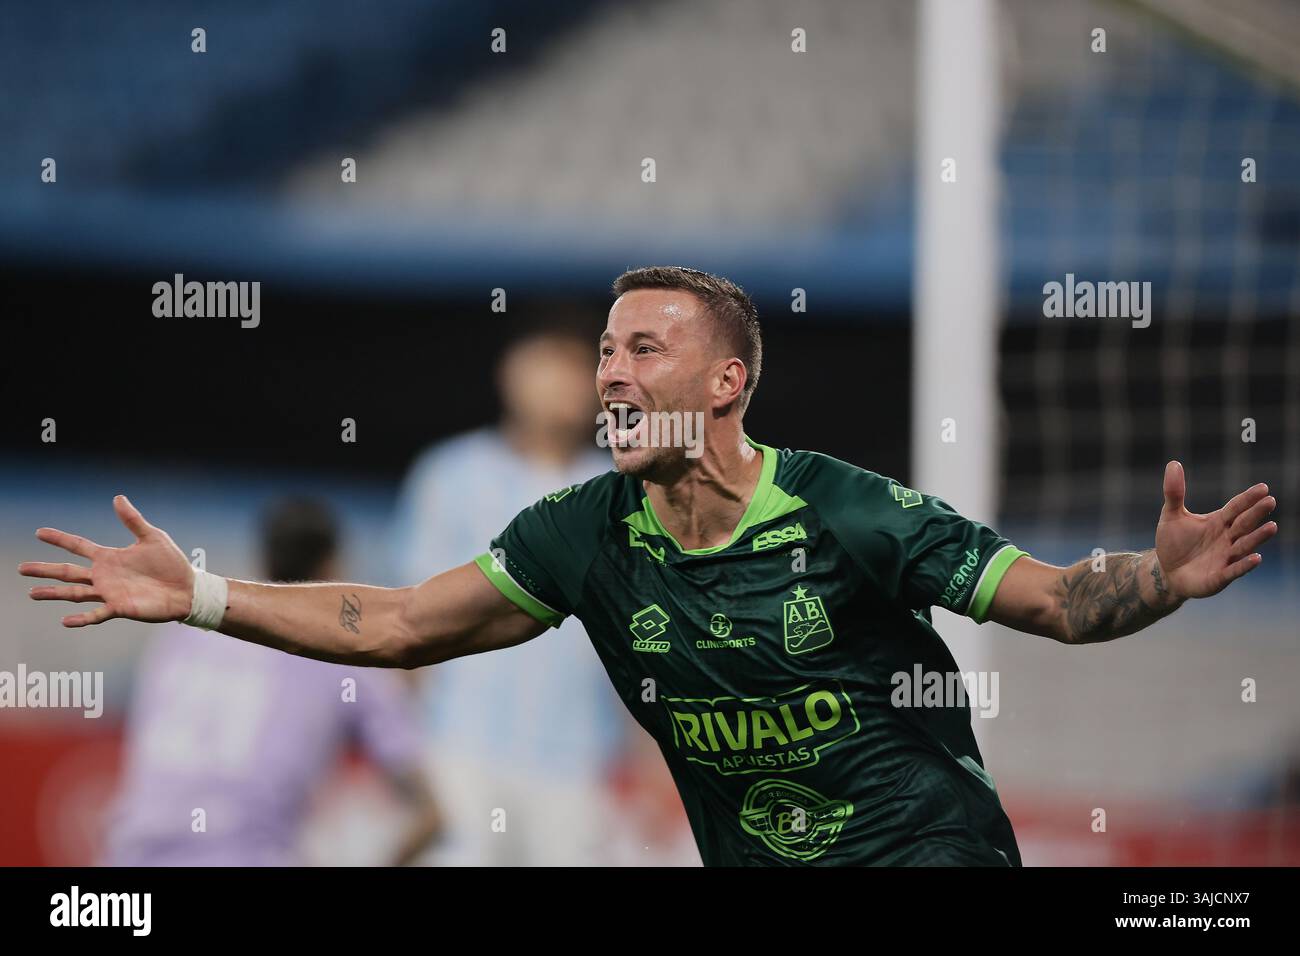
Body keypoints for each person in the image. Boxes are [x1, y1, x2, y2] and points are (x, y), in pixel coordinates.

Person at [24, 266, 1279, 866]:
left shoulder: (846, 511)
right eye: (608, 350)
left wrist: (1158, 577)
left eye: (646, 349)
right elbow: (395, 621)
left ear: (726, 382)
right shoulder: (580, 534)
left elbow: (1058, 600)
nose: (612, 373)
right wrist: (195, 591)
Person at [391, 326, 629, 865]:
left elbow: (640, 635)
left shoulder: (615, 492)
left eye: (577, 371)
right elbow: (410, 615)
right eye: (548, 366)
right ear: (512, 374)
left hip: (575, 758)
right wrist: (407, 748)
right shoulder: (451, 476)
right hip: (460, 743)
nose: (561, 386)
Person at [101, 497, 443, 866]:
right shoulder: (340, 649)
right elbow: (430, 816)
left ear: (262, 558)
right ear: (334, 564)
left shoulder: (184, 634)